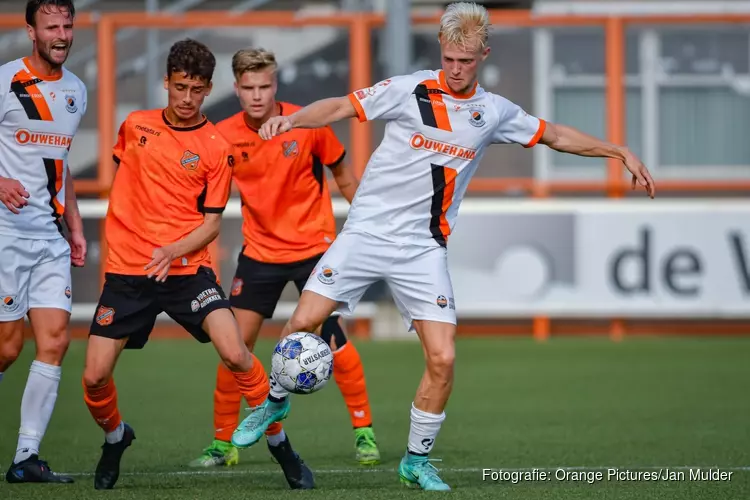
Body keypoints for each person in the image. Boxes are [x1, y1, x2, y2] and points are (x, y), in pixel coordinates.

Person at [233, 1, 657, 491]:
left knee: (444, 358)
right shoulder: (409, 89)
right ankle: (276, 401)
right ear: (441, 48)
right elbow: (341, 106)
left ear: (483, 56)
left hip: (422, 249)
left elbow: (555, 135)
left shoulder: (493, 112)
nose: (456, 70)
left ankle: (415, 461)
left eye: (467, 61)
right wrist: (293, 120)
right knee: (302, 324)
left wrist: (617, 150)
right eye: (450, 58)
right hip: (367, 232)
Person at [80, 39, 313, 491]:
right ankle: (115, 437)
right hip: (129, 275)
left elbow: (210, 227)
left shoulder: (215, 146)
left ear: (209, 89)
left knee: (235, 352)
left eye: (197, 90)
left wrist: (172, 250)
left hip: (187, 272)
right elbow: (126, 182)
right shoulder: (134, 126)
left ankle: (280, 444)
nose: (187, 99)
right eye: (180, 87)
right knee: (93, 378)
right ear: (166, 82)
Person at [189, 48, 380, 470]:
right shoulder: (222, 136)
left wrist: (371, 228)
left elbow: (345, 175)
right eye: (249, 88)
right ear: (236, 89)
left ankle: (363, 432)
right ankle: (222, 444)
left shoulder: (308, 123)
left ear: (275, 85)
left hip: (315, 249)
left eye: (265, 86)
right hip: (259, 254)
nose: (258, 96)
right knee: (233, 346)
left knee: (332, 338)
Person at [0, 0, 87, 484]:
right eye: (51, 25)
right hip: (5, 234)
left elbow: (62, 165)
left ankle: (25, 458)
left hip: (49, 237)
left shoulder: (76, 90)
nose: (61, 34)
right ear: (30, 30)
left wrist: (74, 227)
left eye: (67, 25)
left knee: (54, 340)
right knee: (8, 348)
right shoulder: (5, 80)